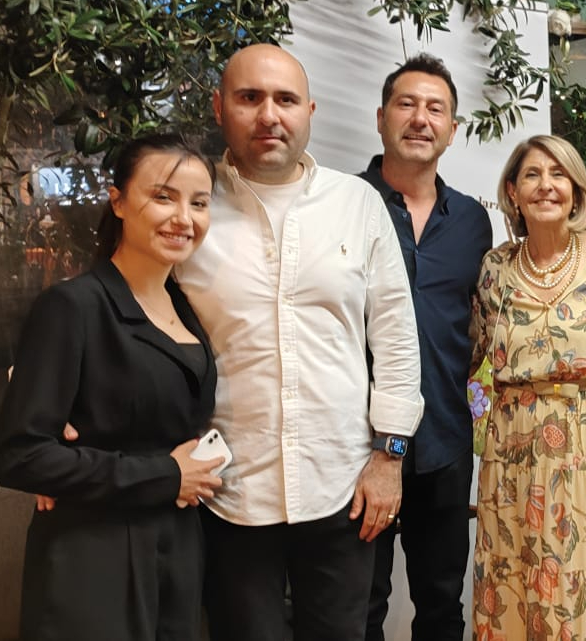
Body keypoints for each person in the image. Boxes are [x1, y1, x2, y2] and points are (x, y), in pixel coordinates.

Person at [172, 44, 424, 640]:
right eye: (249, 98)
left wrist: (389, 458)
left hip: (343, 487)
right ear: (220, 108)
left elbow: (395, 336)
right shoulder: (191, 208)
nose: (269, 115)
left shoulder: (357, 204)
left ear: (309, 111)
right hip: (229, 490)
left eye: (285, 100)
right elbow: (132, 314)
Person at [0, 133, 221, 639]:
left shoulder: (185, 309)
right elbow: (22, 454)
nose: (183, 218)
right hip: (93, 558)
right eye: (163, 197)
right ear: (117, 201)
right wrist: (166, 475)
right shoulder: (73, 306)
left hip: (177, 550)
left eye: (199, 203)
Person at [471, 135, 586, 641]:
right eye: (532, 175)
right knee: (515, 577)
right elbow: (473, 357)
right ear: (513, 192)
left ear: (576, 189)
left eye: (558, 174)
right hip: (511, 453)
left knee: (585, 576)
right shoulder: (496, 267)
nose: (546, 185)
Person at [358, 53, 492, 641]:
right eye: (406, 104)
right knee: (359, 606)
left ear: (452, 129)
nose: (420, 118)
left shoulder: (472, 221)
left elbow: (478, 324)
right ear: (381, 117)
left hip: (443, 440)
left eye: (435, 109)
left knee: (441, 606)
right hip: (355, 444)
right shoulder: (343, 204)